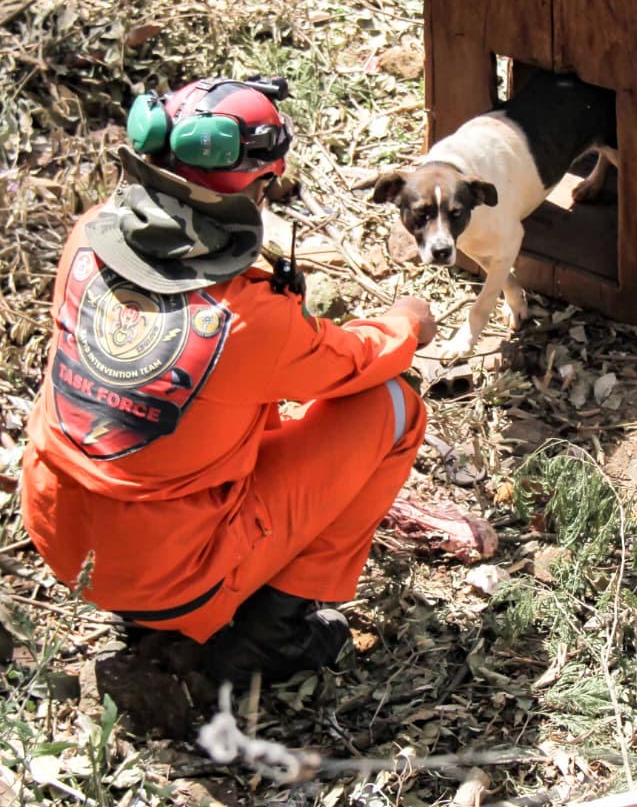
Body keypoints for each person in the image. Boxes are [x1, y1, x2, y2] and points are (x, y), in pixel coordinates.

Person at [20, 75, 435, 688]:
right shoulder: (246, 321)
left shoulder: (88, 236)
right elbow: (357, 363)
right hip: (168, 573)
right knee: (393, 407)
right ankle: (268, 635)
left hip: (61, 536)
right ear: (258, 187)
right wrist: (406, 322)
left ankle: (165, 602)